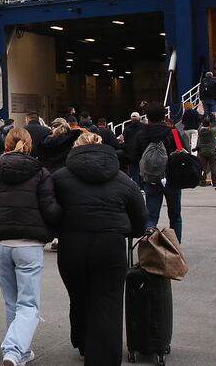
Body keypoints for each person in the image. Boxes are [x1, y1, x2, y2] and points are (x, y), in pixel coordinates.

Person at [51, 130, 147, 364]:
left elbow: (50, 211)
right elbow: (140, 218)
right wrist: (131, 232)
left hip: (72, 245)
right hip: (110, 245)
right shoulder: (124, 180)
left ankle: (83, 340)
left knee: (79, 295)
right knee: (107, 301)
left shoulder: (59, 177)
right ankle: (102, 357)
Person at [0, 127, 61, 366]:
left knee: (12, 302)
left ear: (6, 145)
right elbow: (51, 210)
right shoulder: (41, 173)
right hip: (29, 244)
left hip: (1, 243)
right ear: (29, 145)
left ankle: (21, 351)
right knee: (28, 303)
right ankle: (13, 350)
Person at [135, 104, 187, 241]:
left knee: (151, 216)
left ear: (148, 117)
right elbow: (185, 152)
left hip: (150, 179)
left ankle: (149, 248)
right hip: (172, 179)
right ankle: (175, 248)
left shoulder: (141, 134)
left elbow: (134, 156)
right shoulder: (173, 133)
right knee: (175, 216)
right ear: (164, 117)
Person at [196, 116, 216, 186]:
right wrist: (214, 117)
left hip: (202, 151)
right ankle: (215, 182)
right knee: (213, 168)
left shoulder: (200, 131)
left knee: (203, 167)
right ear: (209, 124)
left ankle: (202, 181)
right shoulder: (212, 131)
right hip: (212, 151)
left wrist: (204, 120)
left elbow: (200, 126)